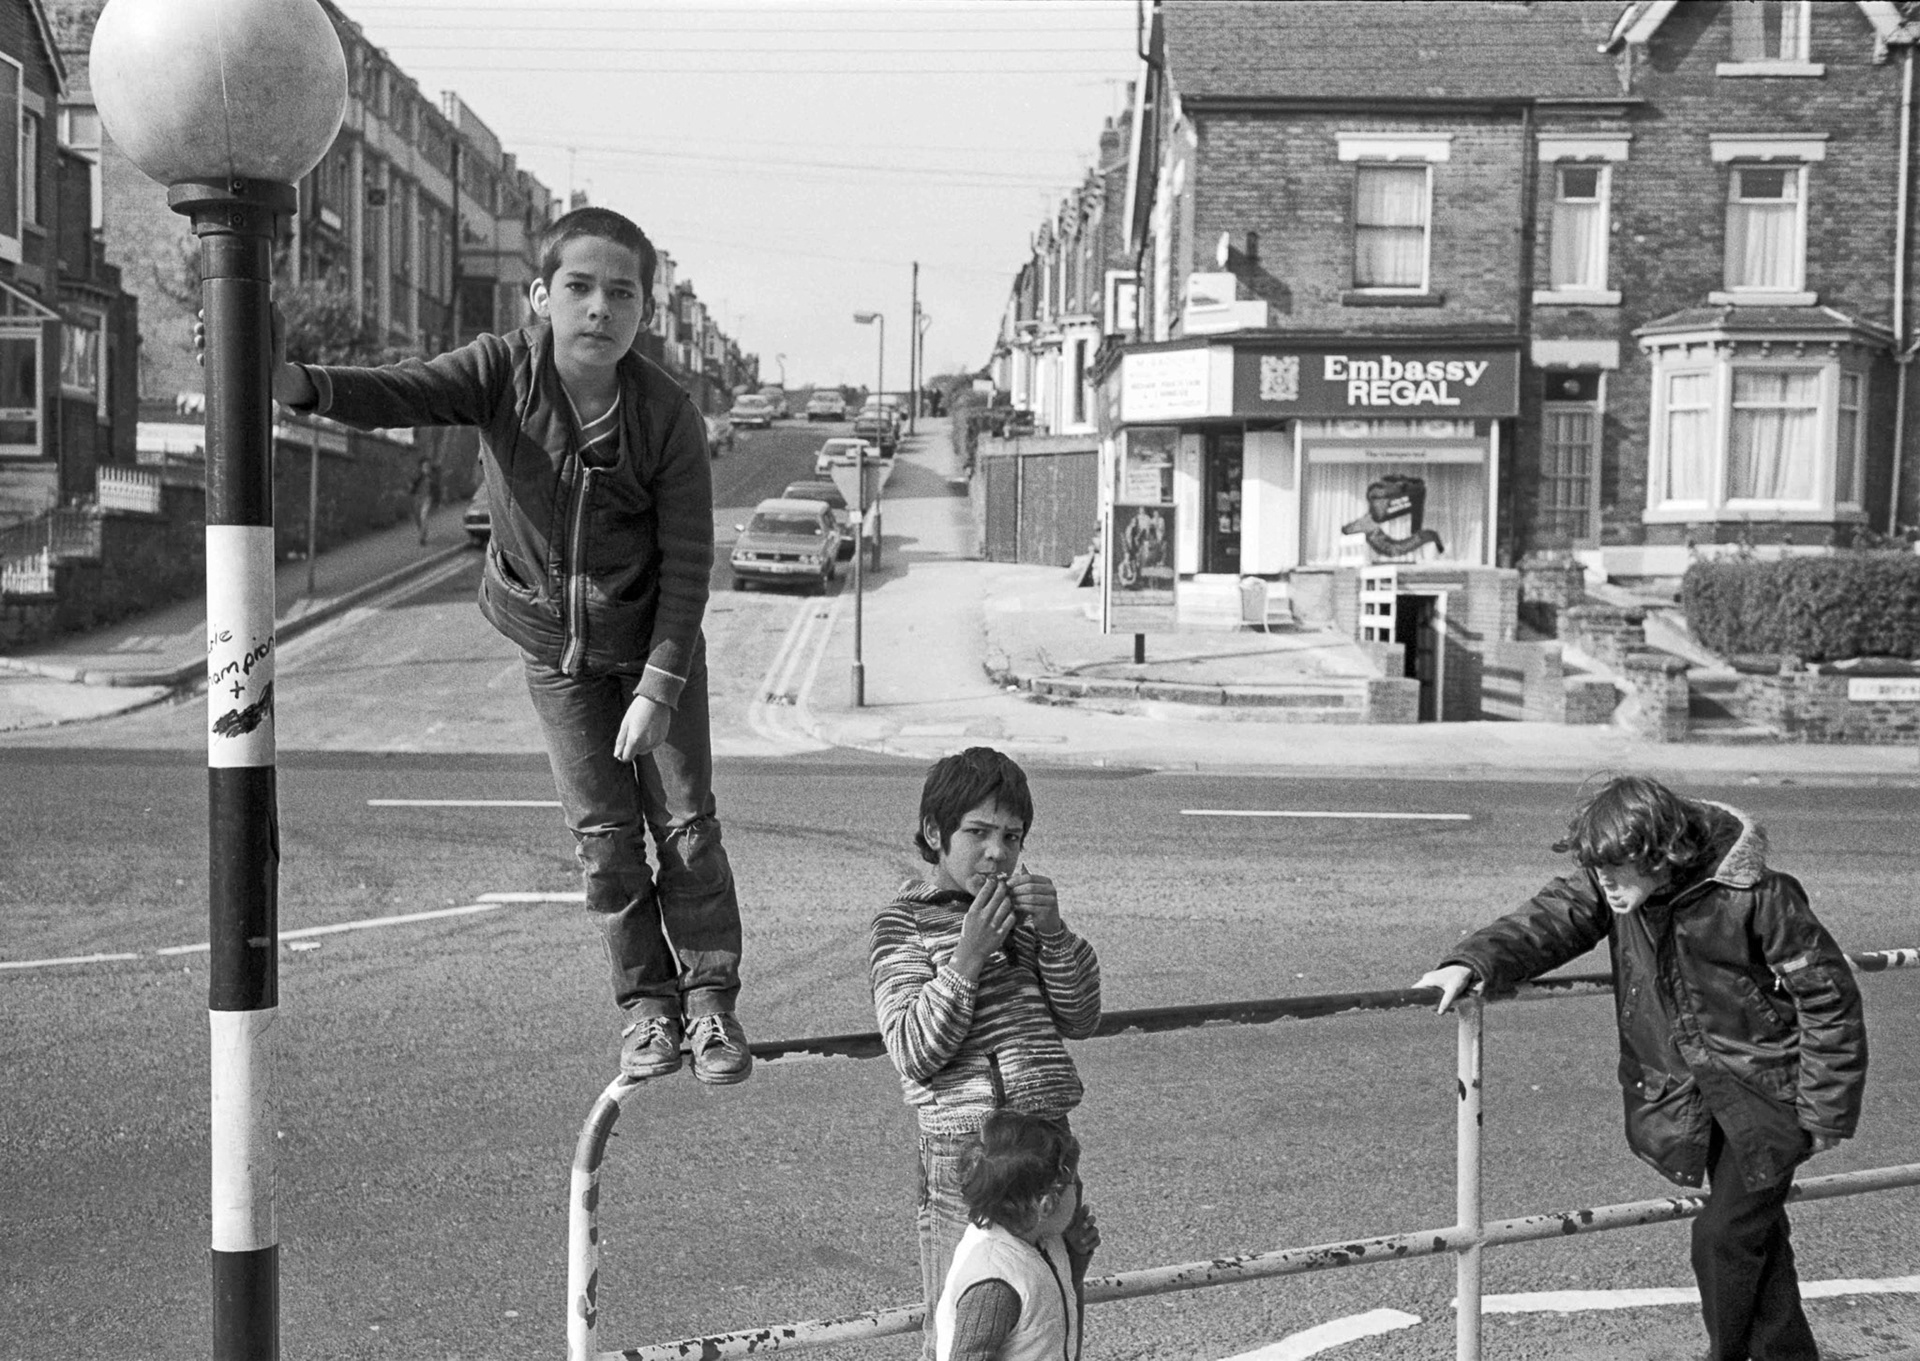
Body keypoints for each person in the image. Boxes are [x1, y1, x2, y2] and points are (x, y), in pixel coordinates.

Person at [268, 206, 751, 1084]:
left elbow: (689, 561)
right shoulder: (504, 372)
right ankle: (649, 1012)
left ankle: (712, 1004)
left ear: (644, 311)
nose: (599, 308)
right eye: (579, 288)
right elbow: (403, 390)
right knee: (605, 838)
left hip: (652, 648)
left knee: (685, 828)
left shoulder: (666, 413)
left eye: (621, 293)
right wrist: (296, 381)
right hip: (553, 653)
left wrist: (658, 687)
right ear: (541, 296)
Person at [1414, 775, 1866, 1361]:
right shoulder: (1617, 880)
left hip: (1767, 1095)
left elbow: (1829, 996)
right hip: (1692, 1095)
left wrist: (1826, 1109)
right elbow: (1549, 919)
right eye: (1597, 869)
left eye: (1617, 870)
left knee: (1722, 1240)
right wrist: (1472, 961)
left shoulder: (1758, 896)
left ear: (1663, 855)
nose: (1605, 883)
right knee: (1757, 1239)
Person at [870, 747, 1102, 1361]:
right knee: (964, 1321)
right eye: (977, 832)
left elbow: (1081, 1015)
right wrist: (968, 956)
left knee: (1055, 1301)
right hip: (964, 1155)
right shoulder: (903, 926)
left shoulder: (1027, 925)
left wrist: (1053, 934)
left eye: (1012, 836)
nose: (997, 852)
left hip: (1048, 1140)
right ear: (933, 834)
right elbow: (915, 1050)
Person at [933, 1109, 1099, 1361]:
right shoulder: (994, 1283)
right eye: (1074, 1185)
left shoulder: (1038, 1238)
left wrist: (1076, 1252)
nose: (1079, 1192)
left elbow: (1049, 1298)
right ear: (1047, 1204)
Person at [407, 457, 438, 544]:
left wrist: (436, 500)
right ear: (421, 468)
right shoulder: (418, 476)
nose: (426, 468)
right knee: (417, 518)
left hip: (427, 499)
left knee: (423, 516)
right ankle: (423, 531)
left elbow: (436, 489)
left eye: (427, 466)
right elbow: (413, 486)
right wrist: (411, 490)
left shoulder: (432, 478)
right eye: (424, 467)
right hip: (418, 498)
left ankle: (422, 537)